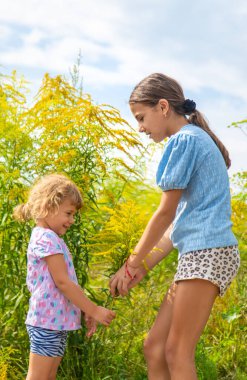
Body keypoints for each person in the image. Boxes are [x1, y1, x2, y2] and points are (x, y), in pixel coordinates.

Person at [109, 73, 240, 380]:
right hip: (201, 252)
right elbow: (179, 224)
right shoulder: (193, 138)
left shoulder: (184, 140)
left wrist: (131, 263)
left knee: (177, 352)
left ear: (163, 107)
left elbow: (165, 214)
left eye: (141, 118)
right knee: (155, 346)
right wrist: (141, 268)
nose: (140, 128)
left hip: (207, 253)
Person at [14, 173, 116, 380]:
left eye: (73, 215)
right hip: (46, 322)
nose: (71, 220)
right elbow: (62, 282)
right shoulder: (45, 237)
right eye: (68, 213)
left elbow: (66, 284)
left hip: (55, 323)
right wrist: (93, 309)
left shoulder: (51, 238)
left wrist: (83, 309)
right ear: (48, 207)